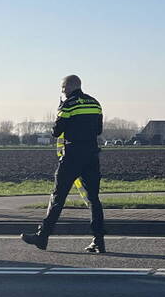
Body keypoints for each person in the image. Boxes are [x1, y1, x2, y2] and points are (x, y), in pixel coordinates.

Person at [21, 74, 106, 253]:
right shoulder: (95, 103)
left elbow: (56, 131)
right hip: (91, 155)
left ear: (68, 87)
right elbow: (98, 130)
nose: (62, 91)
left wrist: (60, 108)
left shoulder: (68, 104)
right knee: (93, 199)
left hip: (72, 155)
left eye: (62, 88)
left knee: (58, 197)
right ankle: (99, 241)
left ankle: (42, 236)